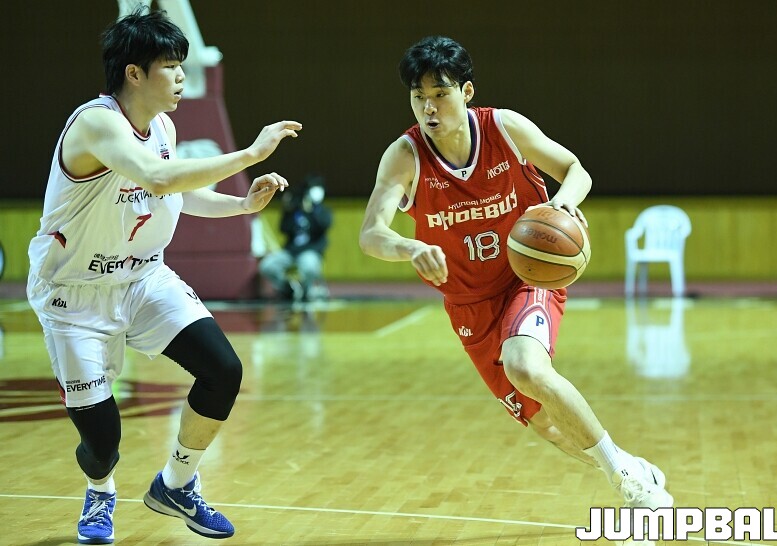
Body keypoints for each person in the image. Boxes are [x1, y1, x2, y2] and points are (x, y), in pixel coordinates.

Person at [359, 36, 673, 510]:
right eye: (418, 96)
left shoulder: (504, 128)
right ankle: (629, 465)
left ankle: (627, 483)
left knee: (526, 367)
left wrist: (563, 201)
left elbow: (576, 169)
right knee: (546, 424)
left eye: (440, 94)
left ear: (466, 91)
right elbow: (370, 233)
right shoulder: (405, 156)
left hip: (527, 278)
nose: (429, 107)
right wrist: (409, 246)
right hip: (468, 304)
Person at [26, 8, 301, 543]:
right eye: (171, 66)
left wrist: (241, 206)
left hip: (144, 280)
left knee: (223, 369)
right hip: (74, 296)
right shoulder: (96, 123)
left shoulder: (164, 127)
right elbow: (155, 176)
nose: (181, 76)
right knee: (102, 442)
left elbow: (172, 191)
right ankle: (100, 489)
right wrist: (249, 153)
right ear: (134, 73)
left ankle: (176, 483)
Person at [259, 175, 332, 302]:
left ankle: (305, 290)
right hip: (290, 251)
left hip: (310, 251)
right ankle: (288, 288)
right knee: (267, 266)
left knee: (309, 266)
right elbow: (283, 229)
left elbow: (324, 225)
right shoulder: (295, 209)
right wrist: (287, 210)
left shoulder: (322, 211)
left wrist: (311, 211)